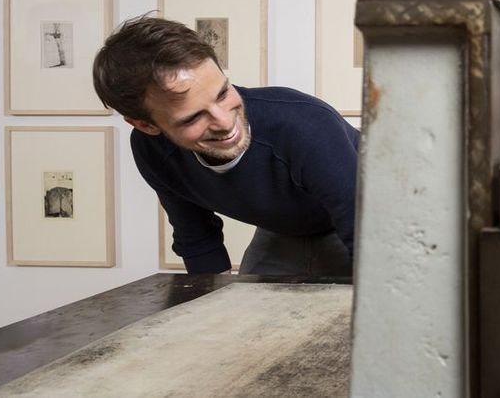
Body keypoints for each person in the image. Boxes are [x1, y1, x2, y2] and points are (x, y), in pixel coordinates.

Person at [92, 15, 359, 275]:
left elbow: (365, 236)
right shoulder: (152, 149)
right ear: (146, 125)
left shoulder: (304, 124)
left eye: (223, 93)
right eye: (194, 116)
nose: (225, 122)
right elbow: (196, 236)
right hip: (284, 229)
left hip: (367, 224)